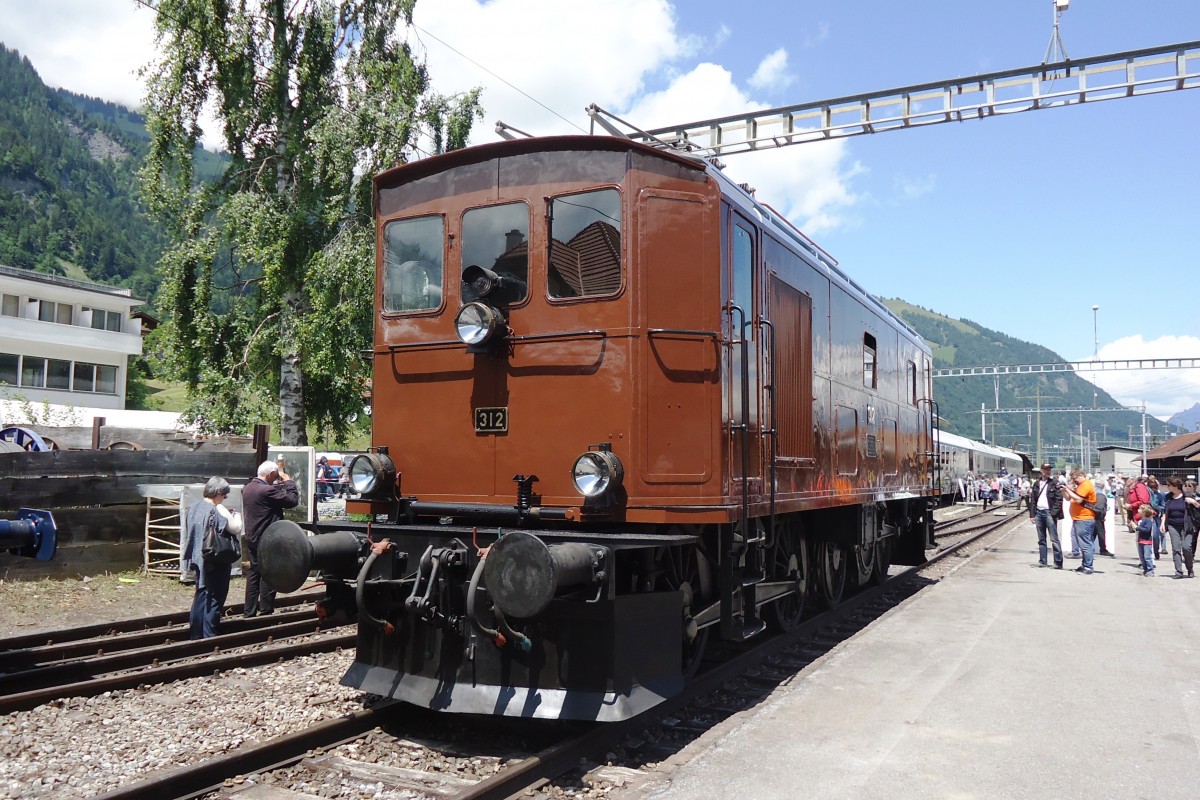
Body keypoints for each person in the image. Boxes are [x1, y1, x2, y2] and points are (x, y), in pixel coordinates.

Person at [181, 477, 243, 639]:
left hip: (197, 557)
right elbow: (236, 528)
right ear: (219, 493)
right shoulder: (219, 509)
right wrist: (237, 515)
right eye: (225, 495)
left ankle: (196, 634)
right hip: (215, 559)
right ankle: (210, 635)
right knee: (215, 597)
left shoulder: (193, 507)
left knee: (201, 595)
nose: (224, 498)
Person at [242, 458, 300, 616]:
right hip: (267, 539)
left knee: (254, 573)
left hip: (252, 536)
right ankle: (266, 608)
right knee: (269, 572)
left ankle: (249, 611)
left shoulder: (248, 488)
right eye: (275, 475)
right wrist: (289, 482)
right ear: (271, 474)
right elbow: (292, 501)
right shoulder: (266, 491)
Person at [1160, 476, 1198, 579]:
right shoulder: (1168, 497)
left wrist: (1193, 502)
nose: (1167, 487)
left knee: (1186, 547)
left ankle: (1190, 568)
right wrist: (1163, 523)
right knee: (1176, 548)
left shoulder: (1188, 496)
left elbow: (1198, 507)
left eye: (1169, 485)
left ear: (1175, 486)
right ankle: (1179, 571)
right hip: (1173, 525)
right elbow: (1165, 512)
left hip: (1187, 526)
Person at [1028, 462, 1064, 569]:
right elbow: (1033, 500)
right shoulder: (1037, 484)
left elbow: (1059, 500)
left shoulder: (1054, 483)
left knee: (1054, 539)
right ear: (1042, 471)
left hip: (1049, 513)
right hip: (1039, 512)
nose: (1048, 471)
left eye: (1049, 470)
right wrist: (1032, 514)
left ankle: (1058, 562)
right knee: (1041, 539)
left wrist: (1053, 513)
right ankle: (1042, 561)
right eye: (1046, 469)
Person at [1062, 468, 1097, 574]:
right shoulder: (1081, 486)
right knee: (1083, 543)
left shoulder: (1086, 485)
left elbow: (1078, 499)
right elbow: (1069, 498)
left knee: (1085, 544)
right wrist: (1064, 490)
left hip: (1084, 518)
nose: (1074, 481)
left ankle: (1088, 567)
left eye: (1075, 478)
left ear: (1081, 475)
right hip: (1078, 518)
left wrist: (1067, 489)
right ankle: (1085, 564)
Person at [1135, 504, 1157, 577]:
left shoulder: (1148, 521)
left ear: (1144, 512)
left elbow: (1147, 530)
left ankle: (1150, 570)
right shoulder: (1141, 520)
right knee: (1142, 557)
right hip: (1140, 540)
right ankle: (1145, 570)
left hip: (1147, 541)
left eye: (1140, 509)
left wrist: (1137, 528)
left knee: (1147, 556)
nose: (1138, 510)